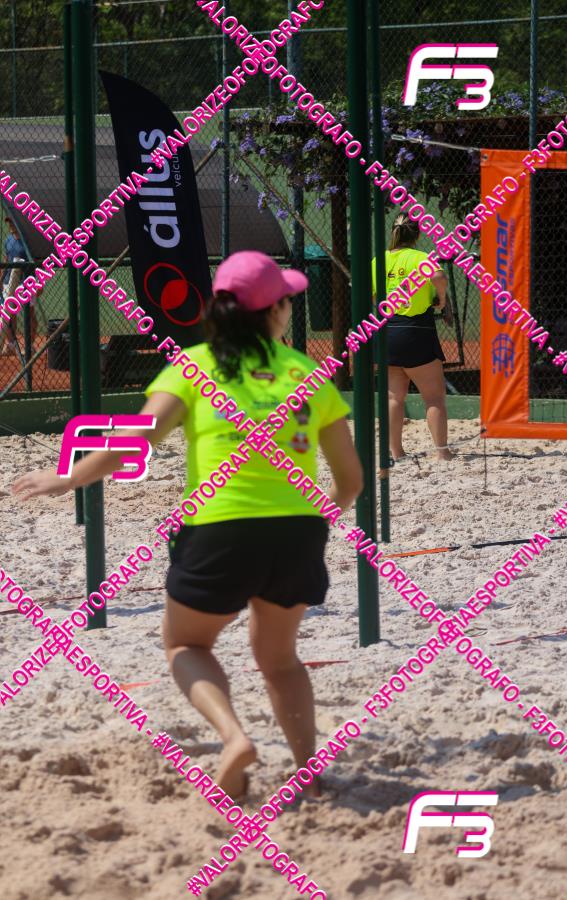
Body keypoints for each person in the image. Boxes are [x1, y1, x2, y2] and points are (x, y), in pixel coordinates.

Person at [13, 251, 363, 800]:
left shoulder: (195, 365)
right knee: (280, 661)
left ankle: (234, 738)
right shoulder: (307, 374)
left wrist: (70, 477)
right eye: (287, 300)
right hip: (297, 529)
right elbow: (350, 480)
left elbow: (138, 438)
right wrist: (316, 524)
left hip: (220, 527)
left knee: (184, 645)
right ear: (274, 310)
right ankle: (308, 775)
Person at [372, 214, 452, 462]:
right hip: (417, 330)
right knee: (434, 397)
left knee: (393, 397)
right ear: (417, 234)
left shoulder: (379, 260)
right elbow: (439, 277)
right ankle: (442, 453)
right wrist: (441, 298)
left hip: (388, 330)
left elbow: (374, 295)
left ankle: (397, 452)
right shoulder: (420, 258)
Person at [0, 217, 36, 356]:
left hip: (26, 282)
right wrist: (1, 279)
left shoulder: (29, 240)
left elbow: (36, 261)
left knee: (30, 315)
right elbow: (7, 260)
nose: (10, 225)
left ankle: (30, 346)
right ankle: (11, 345)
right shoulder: (8, 240)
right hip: (9, 282)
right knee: (9, 315)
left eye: (12, 222)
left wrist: (39, 282)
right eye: (9, 222)